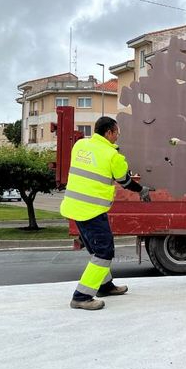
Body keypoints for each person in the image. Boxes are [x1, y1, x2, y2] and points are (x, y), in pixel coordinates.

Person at [60, 116, 143, 310]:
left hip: (74, 206)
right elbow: (125, 181)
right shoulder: (112, 155)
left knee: (97, 251)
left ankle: (105, 286)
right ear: (109, 133)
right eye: (117, 133)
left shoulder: (80, 146)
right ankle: (81, 296)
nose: (117, 137)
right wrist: (142, 190)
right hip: (92, 210)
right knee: (104, 252)